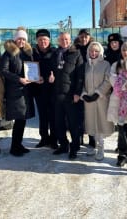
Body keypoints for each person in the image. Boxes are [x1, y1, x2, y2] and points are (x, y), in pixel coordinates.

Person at [0, 28, 36, 157]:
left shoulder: (27, 52)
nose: (21, 41)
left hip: (26, 91)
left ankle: (18, 144)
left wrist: (36, 78)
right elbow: (3, 70)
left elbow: (32, 69)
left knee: (23, 119)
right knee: (19, 119)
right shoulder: (9, 53)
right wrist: (18, 79)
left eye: (24, 39)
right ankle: (14, 147)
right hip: (15, 91)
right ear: (15, 39)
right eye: (19, 39)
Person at [49, 32, 84, 160]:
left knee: (73, 123)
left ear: (70, 41)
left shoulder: (76, 54)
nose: (64, 41)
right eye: (62, 39)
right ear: (58, 41)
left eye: (67, 39)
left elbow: (80, 76)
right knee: (59, 123)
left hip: (71, 95)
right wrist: (50, 77)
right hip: (57, 94)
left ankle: (74, 147)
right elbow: (50, 71)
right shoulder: (54, 54)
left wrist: (77, 93)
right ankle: (63, 145)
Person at [81, 42, 114, 161]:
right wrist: (84, 94)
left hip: (101, 99)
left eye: (96, 51)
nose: (93, 53)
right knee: (90, 122)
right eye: (91, 51)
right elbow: (81, 81)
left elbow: (108, 80)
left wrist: (98, 93)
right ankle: (92, 145)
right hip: (88, 99)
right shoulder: (86, 65)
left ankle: (101, 147)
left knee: (101, 123)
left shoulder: (105, 64)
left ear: (100, 52)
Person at [32, 28, 58, 149]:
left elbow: (59, 68)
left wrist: (53, 77)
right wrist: (35, 78)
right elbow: (28, 69)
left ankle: (53, 139)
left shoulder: (55, 52)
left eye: (45, 40)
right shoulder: (32, 52)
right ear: (37, 40)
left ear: (49, 40)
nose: (43, 42)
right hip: (38, 89)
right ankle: (43, 138)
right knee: (42, 115)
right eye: (40, 40)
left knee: (53, 115)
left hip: (52, 89)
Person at [73, 28, 96, 150]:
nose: (84, 38)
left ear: (89, 37)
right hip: (79, 84)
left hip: (91, 84)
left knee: (91, 113)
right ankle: (80, 136)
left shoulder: (93, 48)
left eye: (86, 36)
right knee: (79, 113)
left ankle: (92, 138)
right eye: (81, 36)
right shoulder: (75, 49)